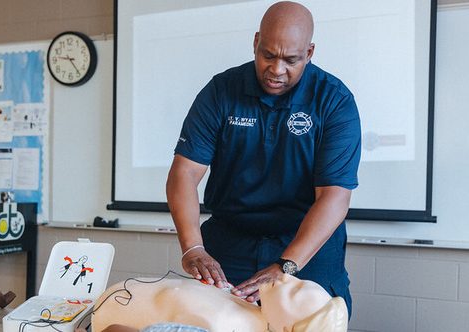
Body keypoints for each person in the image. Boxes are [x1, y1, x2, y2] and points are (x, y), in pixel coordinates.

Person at [166, 1, 361, 317]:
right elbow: (184, 172)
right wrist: (193, 247)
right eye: (268, 55)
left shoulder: (334, 101)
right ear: (256, 42)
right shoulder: (220, 92)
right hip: (231, 238)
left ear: (309, 53)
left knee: (318, 320)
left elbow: (335, 197)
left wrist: (287, 264)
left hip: (305, 242)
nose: (277, 69)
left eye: (291, 60)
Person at [89, 274, 348, 332]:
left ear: (285, 329)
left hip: (104, 317)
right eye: (298, 279)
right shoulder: (254, 313)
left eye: (294, 292)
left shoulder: (217, 326)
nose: (285, 276)